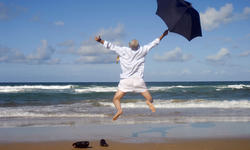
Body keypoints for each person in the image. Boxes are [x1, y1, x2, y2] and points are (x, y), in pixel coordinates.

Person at [95, 30, 168, 120]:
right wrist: (163, 35)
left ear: (129, 45)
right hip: (138, 81)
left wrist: (100, 40)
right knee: (150, 99)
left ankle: (119, 110)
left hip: (125, 81)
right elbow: (154, 43)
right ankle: (148, 103)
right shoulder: (142, 50)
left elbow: (110, 46)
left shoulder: (123, 50)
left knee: (115, 99)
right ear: (138, 45)